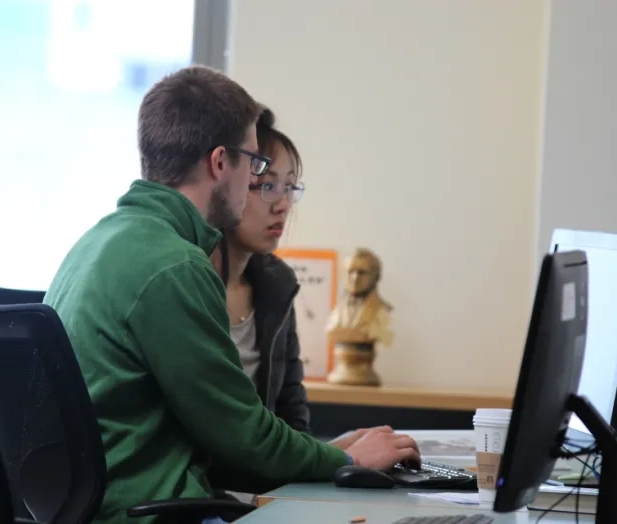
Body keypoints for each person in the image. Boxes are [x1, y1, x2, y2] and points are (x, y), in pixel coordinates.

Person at [44, 66, 420, 524]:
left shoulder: (99, 241)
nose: (260, 184)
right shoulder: (175, 266)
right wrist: (350, 463)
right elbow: (242, 438)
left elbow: (216, 437)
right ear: (221, 163)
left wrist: (322, 455)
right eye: (256, 164)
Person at [210, 106, 388, 447]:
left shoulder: (277, 284)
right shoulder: (188, 280)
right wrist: (334, 457)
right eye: (266, 186)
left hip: (259, 486)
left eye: (290, 188)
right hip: (211, 491)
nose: (283, 205)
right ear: (225, 182)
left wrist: (334, 451)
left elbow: (292, 419)